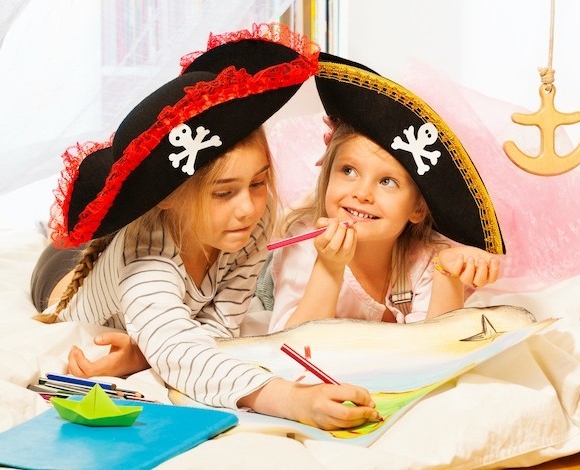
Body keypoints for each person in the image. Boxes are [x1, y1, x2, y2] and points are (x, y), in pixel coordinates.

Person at [32, 25, 381, 429]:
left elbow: (219, 326)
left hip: (133, 281)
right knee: (62, 247)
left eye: (258, 183)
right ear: (168, 197)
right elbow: (182, 352)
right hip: (60, 274)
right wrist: (294, 399)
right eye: (222, 193)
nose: (247, 208)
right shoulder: (146, 263)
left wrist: (146, 353)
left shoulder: (250, 221)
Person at [268, 53, 506, 332]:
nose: (362, 193)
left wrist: (447, 276)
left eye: (387, 182)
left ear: (417, 209)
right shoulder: (303, 242)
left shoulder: (424, 258)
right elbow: (288, 345)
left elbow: (437, 347)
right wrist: (329, 267)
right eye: (348, 171)